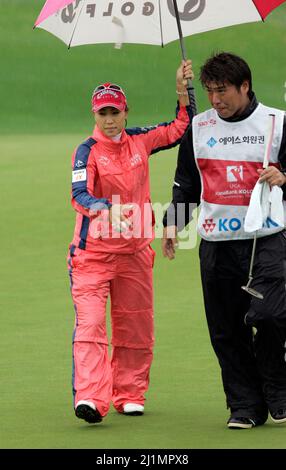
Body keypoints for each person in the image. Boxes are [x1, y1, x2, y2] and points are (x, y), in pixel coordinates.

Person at [162, 52, 286, 429]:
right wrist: (173, 223)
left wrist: (284, 174)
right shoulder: (198, 128)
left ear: (244, 87)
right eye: (210, 91)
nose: (216, 99)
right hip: (216, 245)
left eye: (224, 90)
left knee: (270, 316)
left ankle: (278, 389)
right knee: (226, 329)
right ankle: (245, 406)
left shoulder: (277, 123)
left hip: (265, 240)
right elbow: (187, 183)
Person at [67, 61, 194, 424]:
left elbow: (178, 129)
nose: (109, 119)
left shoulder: (140, 139)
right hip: (92, 256)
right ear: (95, 113)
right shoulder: (86, 151)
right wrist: (104, 208)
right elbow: (79, 195)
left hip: (135, 253)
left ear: (126, 111)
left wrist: (181, 90)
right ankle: (91, 397)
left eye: (115, 111)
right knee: (91, 325)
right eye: (103, 112)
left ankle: (130, 393)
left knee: (136, 324)